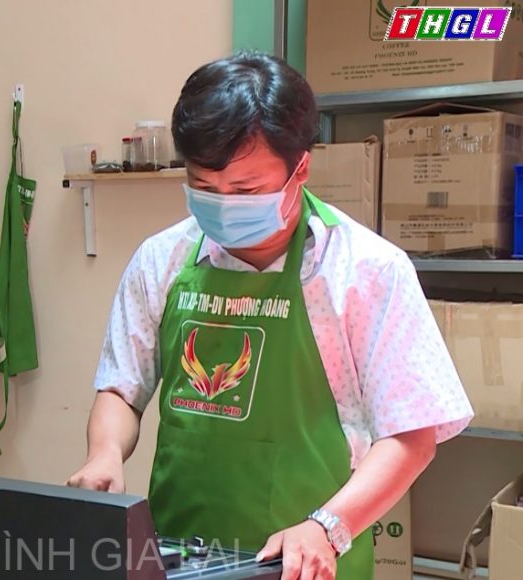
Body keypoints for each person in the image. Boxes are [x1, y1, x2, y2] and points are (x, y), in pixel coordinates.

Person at [66, 52, 474, 580]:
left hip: (311, 562)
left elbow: (412, 437)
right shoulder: (161, 260)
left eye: (245, 190)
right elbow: (123, 389)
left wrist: (328, 526)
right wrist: (104, 454)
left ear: (300, 168)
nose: (222, 205)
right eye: (203, 187)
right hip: (179, 557)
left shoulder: (365, 272)